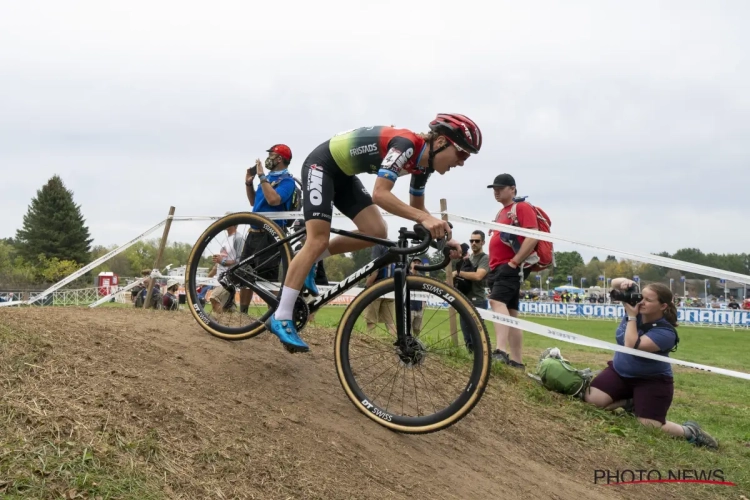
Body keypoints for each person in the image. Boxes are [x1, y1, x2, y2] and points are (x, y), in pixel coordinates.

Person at [265, 114, 481, 352]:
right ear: (441, 142)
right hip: (321, 166)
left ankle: (311, 261)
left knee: (377, 230)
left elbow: (418, 209)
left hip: (343, 175)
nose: (462, 162)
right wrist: (425, 218)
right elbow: (380, 194)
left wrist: (447, 239)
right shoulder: (407, 144)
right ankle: (281, 315)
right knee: (317, 239)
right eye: (462, 153)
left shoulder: (423, 165)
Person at [584, 278, 718, 449]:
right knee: (591, 401)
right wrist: (624, 282)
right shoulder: (635, 310)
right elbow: (614, 283)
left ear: (663, 306)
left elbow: (632, 346)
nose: (641, 302)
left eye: (648, 300)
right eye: (641, 297)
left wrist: (632, 316)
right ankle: (629, 402)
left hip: (651, 381)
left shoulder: (666, 332)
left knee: (649, 426)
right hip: (619, 372)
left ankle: (691, 431)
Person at [486, 174, 538, 369]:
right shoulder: (502, 212)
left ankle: (501, 350)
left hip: (509, 266)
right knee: (512, 313)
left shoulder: (521, 207)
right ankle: (517, 361)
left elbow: (533, 236)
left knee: (496, 302)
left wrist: (514, 263)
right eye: (494, 188)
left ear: (513, 189)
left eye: (501, 188)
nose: (496, 191)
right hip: (500, 267)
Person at [240, 145, 298, 314]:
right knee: (244, 273)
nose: (268, 159)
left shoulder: (287, 181)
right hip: (254, 232)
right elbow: (254, 203)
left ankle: (274, 314)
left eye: (272, 155)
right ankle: (242, 313)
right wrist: (249, 184)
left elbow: (274, 200)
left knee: (268, 278)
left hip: (271, 235)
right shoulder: (267, 179)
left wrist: (261, 176)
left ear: (279, 158)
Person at [452, 230, 490, 352]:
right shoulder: (468, 258)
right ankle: (471, 357)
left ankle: (480, 359)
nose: (473, 243)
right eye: (471, 241)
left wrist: (458, 273)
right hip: (465, 298)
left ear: (483, 242)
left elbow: (478, 276)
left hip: (478, 300)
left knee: (476, 335)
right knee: (466, 335)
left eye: (477, 241)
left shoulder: (485, 258)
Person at [363, 243, 397, 335]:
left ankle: (371, 343)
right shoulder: (394, 248)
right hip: (390, 289)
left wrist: (367, 286)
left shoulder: (378, 246)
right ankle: (396, 344)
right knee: (390, 323)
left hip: (377, 288)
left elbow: (375, 268)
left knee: (371, 321)